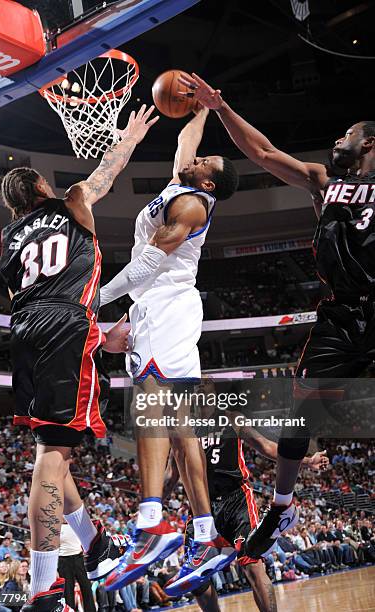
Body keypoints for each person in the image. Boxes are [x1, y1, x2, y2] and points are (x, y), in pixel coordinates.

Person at [178, 71, 375, 558]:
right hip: (342, 318)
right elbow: (264, 154)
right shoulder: (323, 182)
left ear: (370, 142)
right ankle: (282, 506)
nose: (337, 139)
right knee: (298, 419)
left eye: (346, 134)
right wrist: (220, 108)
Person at [0, 105, 159, 612]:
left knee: (53, 448)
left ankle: (96, 548)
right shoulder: (70, 203)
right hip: (63, 327)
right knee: (52, 461)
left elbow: (36, 293)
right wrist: (130, 136)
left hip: (25, 332)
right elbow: (105, 173)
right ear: (43, 188)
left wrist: (92, 337)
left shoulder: (7, 242)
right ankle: (42, 590)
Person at [100, 106, 239, 594]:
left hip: (165, 304)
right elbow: (185, 137)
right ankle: (203, 537)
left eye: (206, 162)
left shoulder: (193, 207)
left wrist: (92, 301)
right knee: (183, 430)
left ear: (211, 185)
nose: (197, 159)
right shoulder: (181, 184)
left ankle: (152, 520)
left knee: (151, 404)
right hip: (159, 308)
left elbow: (146, 268)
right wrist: (203, 106)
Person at [163, 378, 328, 612]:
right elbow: (171, 475)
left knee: (251, 563)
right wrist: (153, 507)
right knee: (196, 578)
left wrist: (308, 461)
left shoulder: (231, 417)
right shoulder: (184, 430)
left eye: (205, 381)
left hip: (236, 498)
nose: (199, 384)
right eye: (196, 382)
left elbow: (266, 446)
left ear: (214, 389)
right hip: (202, 506)